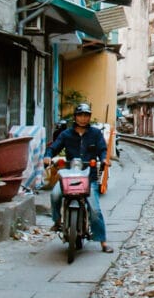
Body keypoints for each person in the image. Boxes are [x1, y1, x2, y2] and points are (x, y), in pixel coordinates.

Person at [43, 103, 112, 252]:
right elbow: (54, 147)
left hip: (89, 177)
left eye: (86, 115)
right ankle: (57, 221)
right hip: (68, 176)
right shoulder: (66, 134)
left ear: (89, 117)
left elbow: (102, 149)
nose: (83, 118)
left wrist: (104, 159)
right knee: (55, 195)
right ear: (75, 117)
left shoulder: (95, 134)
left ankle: (103, 241)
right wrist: (48, 156)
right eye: (80, 115)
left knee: (95, 210)